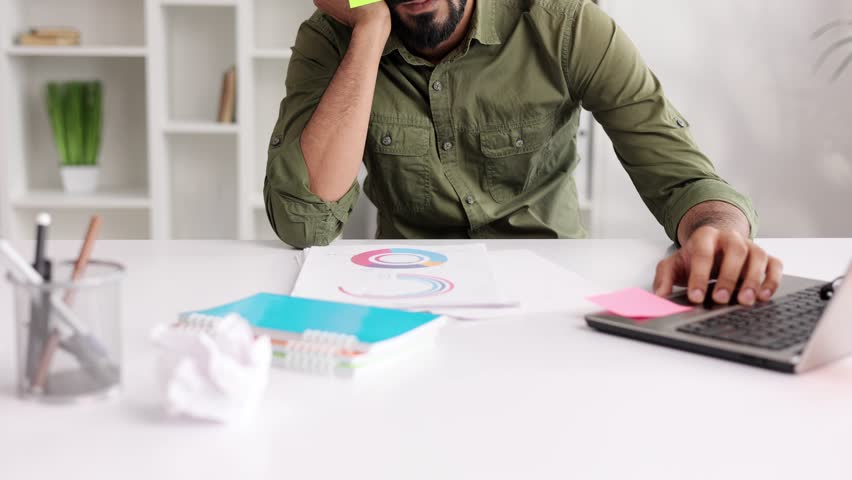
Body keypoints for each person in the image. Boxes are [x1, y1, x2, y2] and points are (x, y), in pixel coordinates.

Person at [263, 0, 783, 306]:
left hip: (552, 299)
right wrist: (369, 31)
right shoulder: (336, 39)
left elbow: (684, 181)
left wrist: (720, 234)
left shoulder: (564, 24)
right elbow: (304, 225)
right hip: (406, 299)